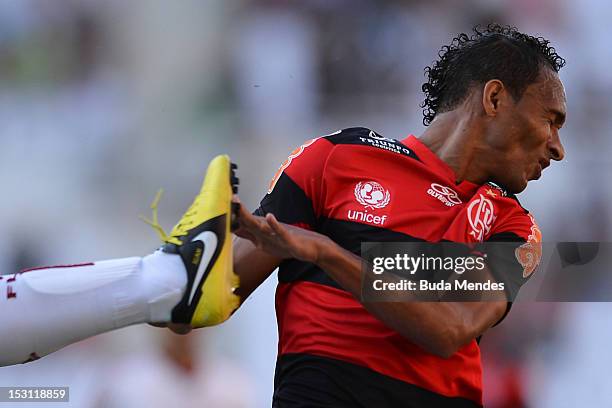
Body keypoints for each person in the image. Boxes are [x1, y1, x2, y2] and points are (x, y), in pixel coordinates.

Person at [1, 23, 566, 407]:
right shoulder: (333, 159)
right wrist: (191, 273)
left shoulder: (515, 229)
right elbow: (205, 303)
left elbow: (451, 328)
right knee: (175, 283)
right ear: (494, 99)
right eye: (551, 120)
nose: (557, 147)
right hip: (314, 395)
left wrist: (323, 251)